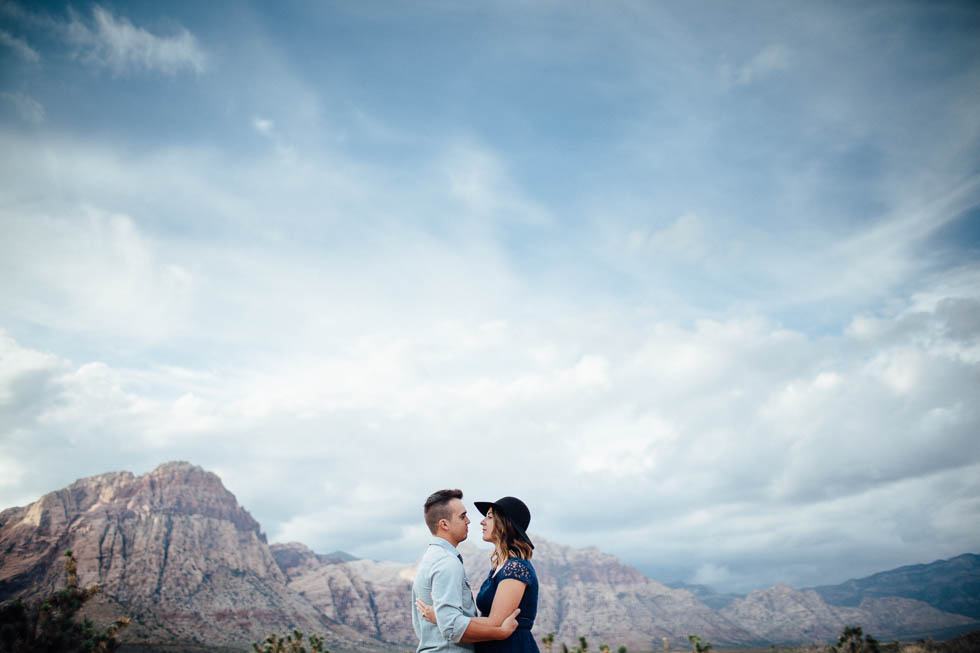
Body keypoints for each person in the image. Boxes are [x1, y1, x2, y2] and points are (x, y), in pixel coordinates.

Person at [418, 495, 539, 653]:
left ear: (505, 524)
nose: (482, 521)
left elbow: (496, 622)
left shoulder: (516, 568)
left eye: (489, 517)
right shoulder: (499, 568)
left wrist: (443, 618)